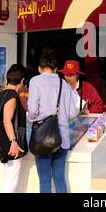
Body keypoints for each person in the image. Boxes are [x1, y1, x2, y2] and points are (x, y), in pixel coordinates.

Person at [27, 49, 80, 193]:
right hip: (61, 138)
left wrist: (33, 119)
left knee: (44, 180)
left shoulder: (35, 81)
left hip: (42, 138)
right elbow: (72, 113)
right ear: (56, 69)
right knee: (60, 179)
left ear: (39, 68)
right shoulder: (64, 84)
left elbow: (32, 109)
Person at [0, 64, 28, 193]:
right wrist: (14, 142)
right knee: (11, 179)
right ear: (22, 81)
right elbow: (7, 120)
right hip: (10, 142)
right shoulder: (12, 96)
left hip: (2, 140)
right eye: (24, 83)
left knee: (9, 176)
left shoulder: (2, 94)